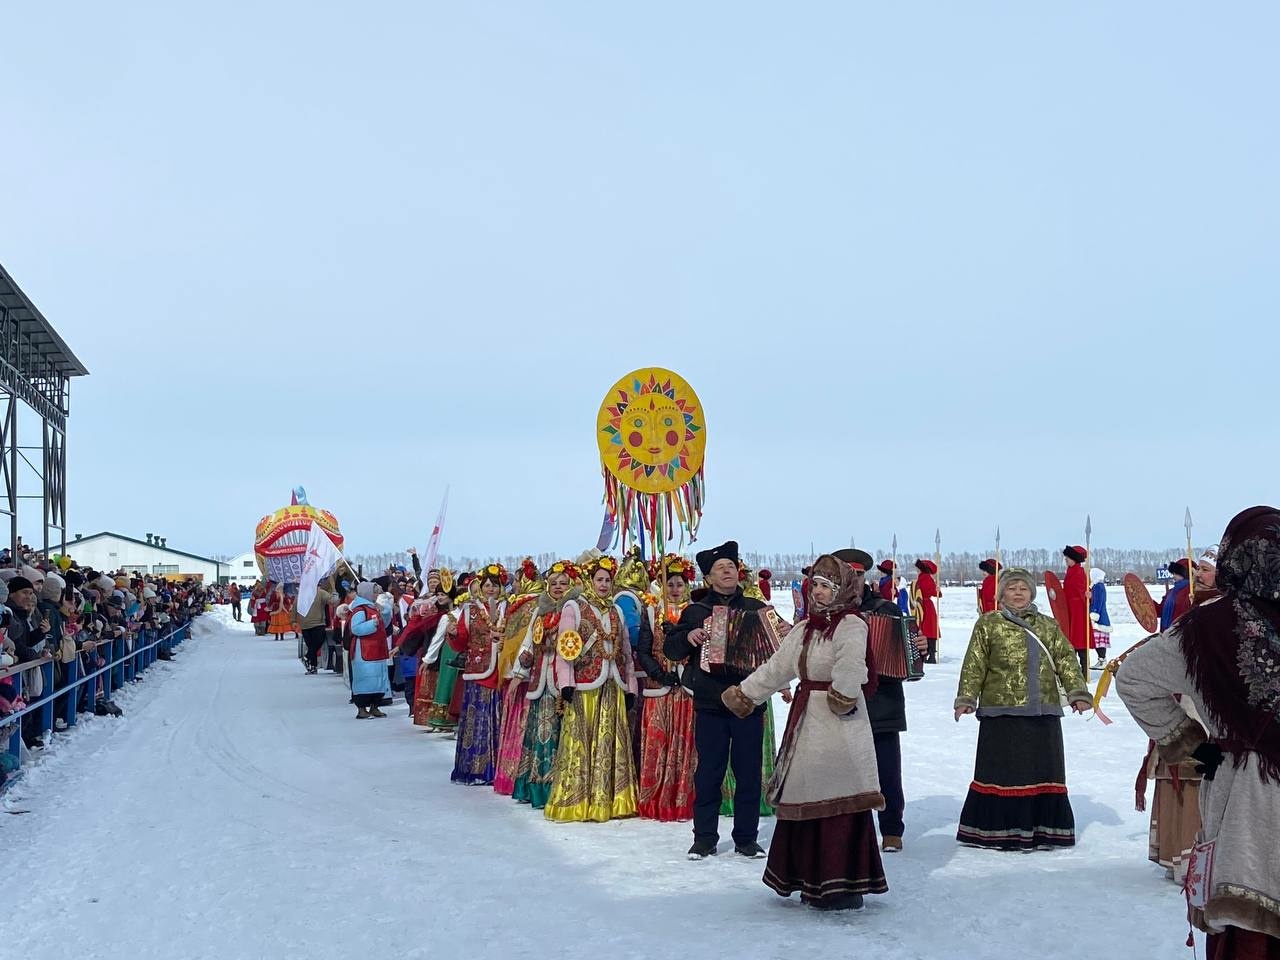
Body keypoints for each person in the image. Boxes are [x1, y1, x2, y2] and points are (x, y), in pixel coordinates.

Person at [1117, 506, 1280, 957]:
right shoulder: (1204, 624)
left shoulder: (1205, 625)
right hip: (1249, 789)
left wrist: (1188, 742)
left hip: (1246, 791)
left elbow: (1133, 679)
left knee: (1249, 912)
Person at [722, 554, 887, 911]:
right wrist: (745, 694)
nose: (820, 592)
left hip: (841, 723)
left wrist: (843, 692)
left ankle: (842, 886)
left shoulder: (851, 624)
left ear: (842, 589)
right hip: (807, 722)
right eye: (816, 585)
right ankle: (805, 879)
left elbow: (852, 663)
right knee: (806, 794)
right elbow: (776, 668)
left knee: (839, 797)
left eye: (828, 586)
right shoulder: (804, 628)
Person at [954, 567, 1092, 850]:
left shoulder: (1048, 625)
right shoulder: (988, 624)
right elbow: (974, 664)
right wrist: (966, 698)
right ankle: (997, 831)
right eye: (1012, 588)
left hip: (1043, 711)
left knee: (1041, 771)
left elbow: (1066, 659)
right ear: (1001, 593)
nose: (1017, 594)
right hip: (1001, 712)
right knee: (1005, 773)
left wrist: (1079, 693)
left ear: (1032, 593)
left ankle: (1042, 831)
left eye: (1023, 589)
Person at [664, 540, 769, 859]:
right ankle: (705, 838)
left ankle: (746, 838)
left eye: (731, 566)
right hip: (711, 706)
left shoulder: (754, 608)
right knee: (709, 772)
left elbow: (775, 650)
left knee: (749, 773)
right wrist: (688, 637)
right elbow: (672, 650)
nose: (727, 571)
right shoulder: (697, 611)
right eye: (720, 568)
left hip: (749, 704)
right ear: (708, 578)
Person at [836, 547, 928, 853]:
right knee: (843, 772)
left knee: (887, 770)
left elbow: (910, 660)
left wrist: (918, 649)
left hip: (882, 703)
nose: (854, 581)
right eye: (847, 576)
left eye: (859, 575)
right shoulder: (827, 613)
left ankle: (891, 829)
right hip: (839, 703)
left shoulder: (886, 610)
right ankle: (848, 830)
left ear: (865, 578)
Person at [543, 555, 638, 823]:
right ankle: (576, 800)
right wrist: (566, 684)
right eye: (599, 579)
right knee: (580, 741)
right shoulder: (574, 607)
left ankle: (611, 800)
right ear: (589, 581)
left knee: (611, 741)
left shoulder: (616, 611)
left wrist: (630, 686)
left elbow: (627, 652)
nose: (604, 584)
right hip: (584, 684)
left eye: (608, 580)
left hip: (613, 683)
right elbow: (565, 649)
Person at [635, 554, 697, 821]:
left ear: (687, 586)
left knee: (686, 746)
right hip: (659, 689)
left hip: (686, 690)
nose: (674, 589)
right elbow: (643, 650)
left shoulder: (695, 612)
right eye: (669, 584)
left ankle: (683, 797)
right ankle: (655, 798)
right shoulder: (652, 611)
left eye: (679, 584)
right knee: (659, 744)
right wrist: (660, 674)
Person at [512, 560, 578, 809]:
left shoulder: (574, 610)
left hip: (566, 679)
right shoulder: (540, 611)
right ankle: (538, 787)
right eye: (554, 583)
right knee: (541, 732)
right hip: (542, 677)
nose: (558, 587)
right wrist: (520, 670)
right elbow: (529, 642)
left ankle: (562, 786)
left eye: (563, 583)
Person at [447, 564, 508, 785]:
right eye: (487, 586)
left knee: (497, 718)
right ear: (480, 588)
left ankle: (497, 768)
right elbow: (461, 641)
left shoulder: (507, 608)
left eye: (495, 585)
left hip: (501, 669)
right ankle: (474, 768)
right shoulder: (469, 610)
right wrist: (453, 635)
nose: (491, 589)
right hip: (478, 671)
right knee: (477, 718)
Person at [347, 582, 392, 719]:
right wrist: (372, 624)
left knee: (378, 679)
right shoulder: (360, 609)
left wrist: (384, 611)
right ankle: (361, 708)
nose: (376, 594)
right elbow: (356, 628)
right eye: (374, 592)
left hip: (376, 649)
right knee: (365, 679)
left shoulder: (372, 607)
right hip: (364, 651)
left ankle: (375, 706)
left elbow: (385, 623)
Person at [1062, 545, 1092, 675]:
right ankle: (1072, 670)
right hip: (1069, 610)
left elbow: (1083, 592)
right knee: (1070, 641)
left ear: (1074, 558)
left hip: (1078, 611)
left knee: (1079, 641)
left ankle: (1084, 671)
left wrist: (1088, 597)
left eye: (1068, 557)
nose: (1066, 560)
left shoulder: (1079, 573)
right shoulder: (1070, 571)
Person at [297, 578, 334, 675]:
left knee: (314, 645)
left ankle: (309, 659)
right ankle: (312, 666)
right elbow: (295, 606)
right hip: (310, 624)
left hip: (316, 623)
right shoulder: (302, 595)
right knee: (313, 645)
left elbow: (332, 601)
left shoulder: (321, 593)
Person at [911, 559, 941, 664]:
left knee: (928, 630)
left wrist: (936, 590)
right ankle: (928, 653)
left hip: (925, 606)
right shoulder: (924, 578)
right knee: (928, 630)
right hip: (923, 605)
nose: (917, 570)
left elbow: (930, 591)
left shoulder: (925, 578)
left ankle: (931, 655)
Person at [1158, 559, 1194, 631]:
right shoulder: (1170, 592)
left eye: (1176, 573)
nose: (1173, 576)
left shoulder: (1192, 591)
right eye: (1173, 573)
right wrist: (1147, 603)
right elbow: (1160, 610)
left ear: (1185, 574)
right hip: (1165, 633)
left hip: (1182, 634)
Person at [1089, 567, 1111, 668]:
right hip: (1100, 616)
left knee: (1098, 639)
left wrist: (1094, 614)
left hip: (1099, 618)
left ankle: (1102, 660)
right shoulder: (1097, 586)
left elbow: (1097, 602)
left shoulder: (1098, 587)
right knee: (1097, 639)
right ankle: (1101, 659)